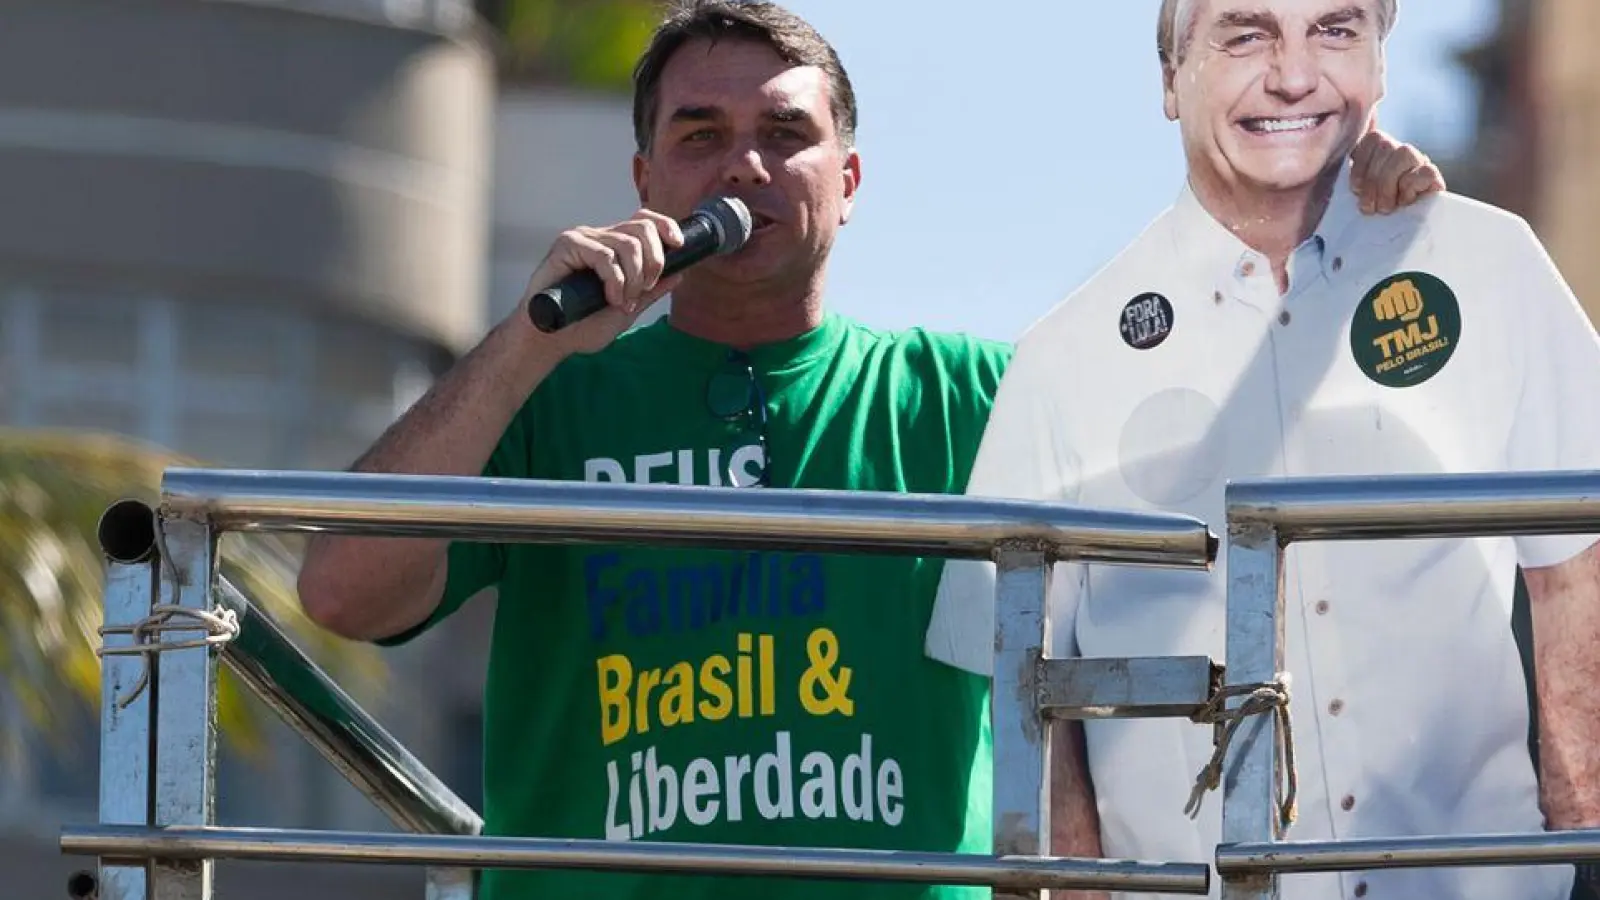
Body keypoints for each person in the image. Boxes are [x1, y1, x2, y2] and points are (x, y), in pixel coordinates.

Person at [294, 2, 1448, 899]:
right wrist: (524, 345)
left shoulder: (972, 396)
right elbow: (343, 589)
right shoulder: (548, 405)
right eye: (700, 136)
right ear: (644, 183)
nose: (742, 166)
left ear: (847, 184)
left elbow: (1244, 474)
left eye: (784, 134)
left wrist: (1349, 263)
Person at [926, 2, 1600, 900]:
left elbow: (1579, 580)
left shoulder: (1489, 265)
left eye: (1335, 31)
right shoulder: (1063, 360)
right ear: (1169, 78)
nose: (1292, 76)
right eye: (1245, 35)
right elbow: (1032, 710)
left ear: (1381, 65)